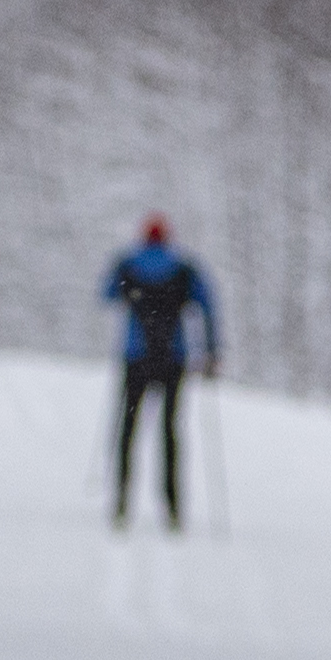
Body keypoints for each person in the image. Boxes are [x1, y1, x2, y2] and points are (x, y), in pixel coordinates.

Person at [102, 214, 220, 530]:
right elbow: (207, 306)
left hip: (136, 356)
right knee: (170, 431)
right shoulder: (184, 267)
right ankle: (173, 509)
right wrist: (211, 351)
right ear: (167, 237)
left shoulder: (127, 263)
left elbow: (107, 295)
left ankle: (122, 503)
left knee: (128, 429)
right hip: (173, 358)